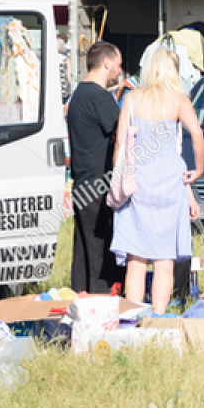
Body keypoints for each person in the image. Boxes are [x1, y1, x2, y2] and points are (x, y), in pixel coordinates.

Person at [109, 48, 204, 314]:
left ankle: (131, 317)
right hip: (169, 184)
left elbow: (120, 144)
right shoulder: (179, 101)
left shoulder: (131, 98)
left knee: (136, 261)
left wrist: (118, 177)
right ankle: (158, 318)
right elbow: (197, 135)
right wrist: (198, 170)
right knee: (165, 261)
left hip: (137, 183)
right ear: (173, 71)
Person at [68, 42, 125, 294]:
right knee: (101, 250)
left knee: (83, 247)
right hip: (99, 184)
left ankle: (81, 296)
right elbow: (121, 133)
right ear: (107, 63)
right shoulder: (100, 97)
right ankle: (101, 304)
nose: (120, 71)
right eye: (119, 65)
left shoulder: (78, 94)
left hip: (81, 182)